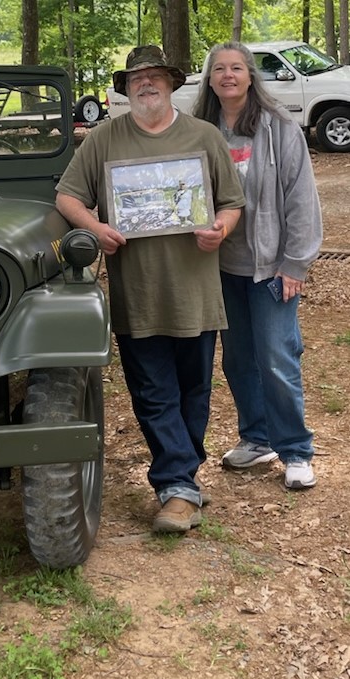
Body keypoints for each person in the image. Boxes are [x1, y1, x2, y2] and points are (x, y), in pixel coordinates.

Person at [55, 45, 245, 533]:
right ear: (125, 88)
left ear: (170, 83)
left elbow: (230, 203)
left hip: (195, 293)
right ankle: (178, 487)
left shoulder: (203, 136)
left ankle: (180, 477)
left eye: (155, 77)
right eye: (137, 78)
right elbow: (67, 196)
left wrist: (219, 230)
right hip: (136, 292)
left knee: (194, 390)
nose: (146, 84)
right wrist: (95, 228)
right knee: (152, 392)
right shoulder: (103, 139)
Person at [192, 41, 322, 489]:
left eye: (236, 68)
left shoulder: (279, 127)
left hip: (270, 267)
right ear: (209, 79)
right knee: (239, 360)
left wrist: (295, 264)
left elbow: (302, 200)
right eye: (219, 68)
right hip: (219, 267)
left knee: (277, 357)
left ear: (250, 76)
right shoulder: (199, 129)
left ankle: (296, 450)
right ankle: (257, 437)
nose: (228, 75)